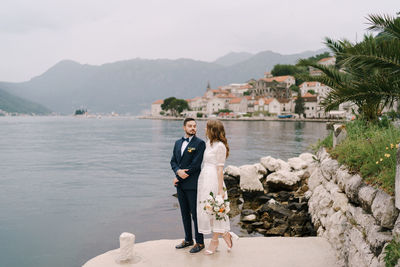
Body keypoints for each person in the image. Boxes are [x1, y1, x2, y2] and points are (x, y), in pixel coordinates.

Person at [197, 119, 239, 255]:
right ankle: (225, 234)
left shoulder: (220, 146)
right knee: (207, 210)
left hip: (214, 180)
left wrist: (220, 190)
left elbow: (220, 169)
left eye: (206, 127)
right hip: (205, 178)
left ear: (212, 130)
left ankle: (214, 241)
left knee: (216, 211)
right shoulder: (208, 144)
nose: (204, 130)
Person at [170, 117, 206, 253]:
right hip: (180, 184)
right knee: (184, 213)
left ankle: (200, 242)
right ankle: (188, 239)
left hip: (193, 184)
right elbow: (173, 161)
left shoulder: (200, 143)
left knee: (196, 215)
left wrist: (183, 174)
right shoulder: (177, 143)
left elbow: (196, 165)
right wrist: (177, 172)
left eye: (195, 126)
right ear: (184, 127)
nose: (193, 128)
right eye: (190, 126)